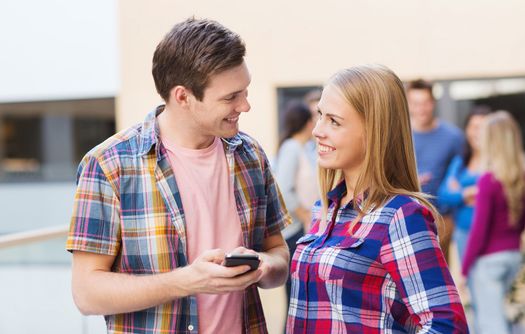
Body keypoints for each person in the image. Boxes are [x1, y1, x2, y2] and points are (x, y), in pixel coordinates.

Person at [66, 18, 291, 334]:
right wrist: (186, 282)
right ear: (183, 96)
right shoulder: (109, 164)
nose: (246, 105)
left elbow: (279, 255)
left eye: (245, 91)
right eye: (230, 97)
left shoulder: (250, 155)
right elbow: (87, 294)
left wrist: (265, 266)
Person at [286, 65, 468, 333]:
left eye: (334, 121)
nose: (317, 130)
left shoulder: (400, 215)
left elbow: (446, 326)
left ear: (374, 130)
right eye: (320, 116)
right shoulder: (323, 211)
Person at [462, 110, 525, 334]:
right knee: (499, 317)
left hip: (488, 261)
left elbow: (479, 231)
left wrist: (464, 266)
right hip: (512, 257)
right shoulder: (520, 177)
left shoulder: (488, 181)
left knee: (491, 324)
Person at [406, 79, 465, 261]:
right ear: (408, 105)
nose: (421, 109)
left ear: (433, 103)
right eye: (415, 103)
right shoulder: (400, 136)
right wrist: (411, 179)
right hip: (405, 216)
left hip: (442, 218)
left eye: (425, 103)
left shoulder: (453, 137)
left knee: (439, 272)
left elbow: (464, 171)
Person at [274, 101, 319, 308]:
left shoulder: (306, 149)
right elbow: (283, 189)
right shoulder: (291, 148)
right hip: (294, 231)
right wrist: (305, 215)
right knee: (295, 299)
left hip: (306, 228)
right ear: (308, 122)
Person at [438, 106, 491, 262]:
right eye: (474, 127)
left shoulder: (497, 162)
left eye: (483, 128)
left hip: (489, 236)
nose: (478, 133)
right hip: (463, 235)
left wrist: (460, 190)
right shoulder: (460, 162)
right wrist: (465, 194)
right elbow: (443, 195)